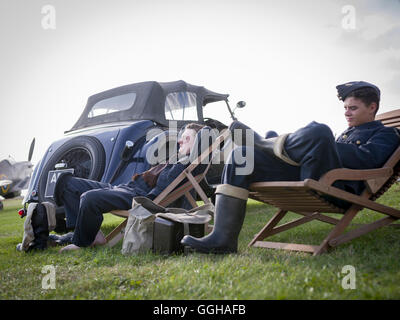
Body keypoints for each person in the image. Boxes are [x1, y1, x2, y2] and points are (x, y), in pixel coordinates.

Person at [181, 81, 400, 254]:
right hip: (311, 174)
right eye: (345, 108)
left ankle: (268, 143)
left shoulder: (387, 134)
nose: (346, 113)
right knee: (242, 155)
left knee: (320, 131)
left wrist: (326, 146)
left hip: (339, 187)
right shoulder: (345, 134)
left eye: (353, 108)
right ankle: (222, 239)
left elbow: (368, 161)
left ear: (372, 107)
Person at [56, 123, 205, 252]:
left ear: (198, 145)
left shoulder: (184, 165)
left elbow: (162, 187)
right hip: (127, 187)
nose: (179, 141)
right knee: (67, 183)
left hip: (138, 196)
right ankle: (91, 234)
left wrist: (184, 158)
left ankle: (81, 242)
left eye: (187, 139)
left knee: (89, 198)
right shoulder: (177, 161)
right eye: (182, 137)